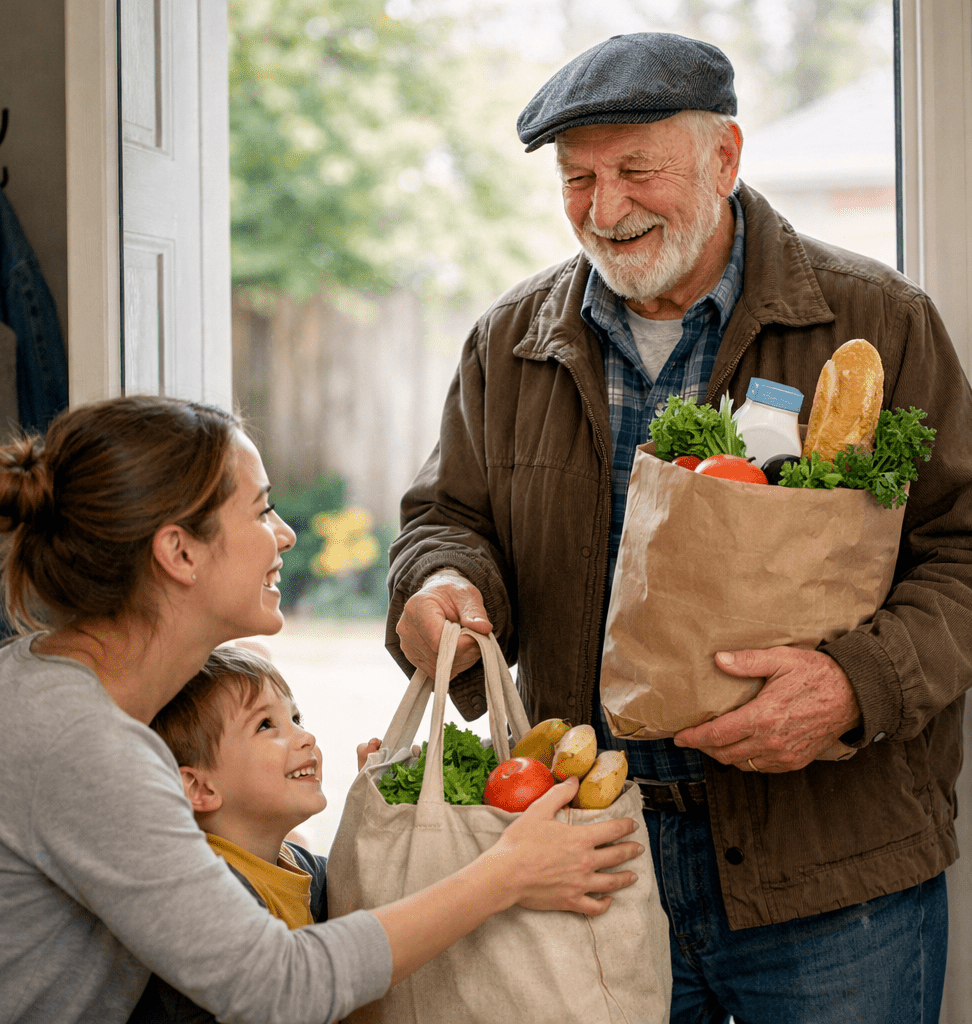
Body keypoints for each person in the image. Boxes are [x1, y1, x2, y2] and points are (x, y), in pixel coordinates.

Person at [386, 31, 972, 1023]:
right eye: (578, 180)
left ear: (725, 160)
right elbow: (446, 517)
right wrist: (436, 581)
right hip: (591, 862)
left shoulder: (876, 320)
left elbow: (959, 552)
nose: (604, 211)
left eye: (635, 172)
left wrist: (849, 684)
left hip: (830, 875)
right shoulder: (507, 342)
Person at [0, 394, 642, 1024]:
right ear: (179, 552)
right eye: (260, 510)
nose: (284, 535)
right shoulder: (81, 746)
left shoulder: (40, 684)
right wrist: (506, 871)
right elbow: (276, 986)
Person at [132, 644, 373, 1022]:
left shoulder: (296, 865)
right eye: (266, 725)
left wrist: (370, 810)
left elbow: (361, 891)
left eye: (297, 717)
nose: (304, 736)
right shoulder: (214, 894)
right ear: (201, 789)